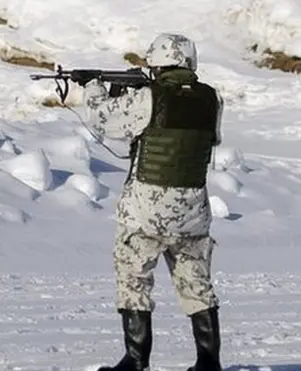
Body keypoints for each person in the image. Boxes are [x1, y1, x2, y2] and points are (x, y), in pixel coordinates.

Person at [81, 33, 224, 371]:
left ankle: (135, 360)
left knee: (134, 280)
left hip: (146, 210)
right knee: (197, 284)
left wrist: (92, 88)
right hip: (193, 210)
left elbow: (103, 121)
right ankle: (208, 362)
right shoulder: (212, 99)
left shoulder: (149, 97)